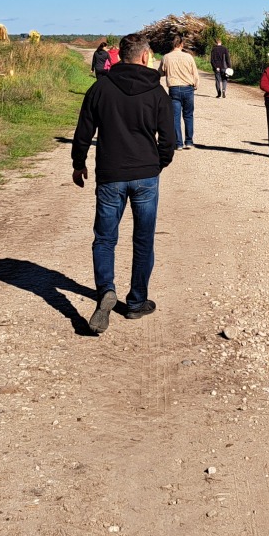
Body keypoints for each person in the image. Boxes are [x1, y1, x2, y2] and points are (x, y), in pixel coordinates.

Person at [70, 33, 176, 334]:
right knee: (143, 239)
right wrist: (157, 164)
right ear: (144, 56)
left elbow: (83, 131)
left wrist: (79, 163)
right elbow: (169, 139)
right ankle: (136, 301)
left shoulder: (100, 88)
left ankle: (106, 290)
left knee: (105, 238)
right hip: (146, 175)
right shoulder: (156, 92)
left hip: (110, 174)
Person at [160, 38, 201, 149]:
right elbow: (195, 73)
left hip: (174, 88)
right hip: (188, 88)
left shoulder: (166, 57)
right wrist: (196, 84)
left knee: (175, 117)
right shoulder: (188, 57)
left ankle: (178, 143)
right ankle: (189, 141)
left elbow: (161, 72)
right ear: (181, 44)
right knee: (188, 115)